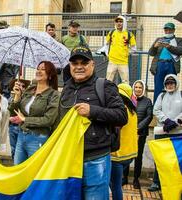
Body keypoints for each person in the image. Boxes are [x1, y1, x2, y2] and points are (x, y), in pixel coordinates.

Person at [56, 46, 127, 199]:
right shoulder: (66, 88)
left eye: (84, 63)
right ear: (70, 66)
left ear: (93, 65)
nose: (79, 67)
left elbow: (122, 116)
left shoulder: (105, 85)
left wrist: (92, 111)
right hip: (69, 158)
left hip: (96, 159)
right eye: (75, 63)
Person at [9, 61, 60, 165]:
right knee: (17, 168)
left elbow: (48, 120)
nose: (39, 71)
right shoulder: (29, 90)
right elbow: (12, 111)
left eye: (43, 69)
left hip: (38, 138)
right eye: (38, 68)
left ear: (50, 75)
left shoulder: (54, 95)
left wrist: (25, 119)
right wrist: (17, 96)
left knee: (34, 172)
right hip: (21, 135)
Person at [148, 74, 182, 192]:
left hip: (177, 133)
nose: (170, 85)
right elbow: (156, 110)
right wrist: (166, 121)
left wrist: (175, 122)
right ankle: (156, 182)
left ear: (176, 83)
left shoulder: (181, 95)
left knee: (175, 160)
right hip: (162, 132)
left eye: (172, 83)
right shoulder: (161, 96)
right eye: (167, 83)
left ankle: (173, 183)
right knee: (160, 159)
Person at [122, 80, 153, 189]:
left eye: (140, 87)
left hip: (141, 134)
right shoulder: (129, 100)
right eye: (136, 87)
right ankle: (124, 177)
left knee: (138, 157)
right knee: (126, 154)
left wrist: (138, 128)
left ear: (143, 89)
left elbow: (149, 117)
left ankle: (136, 179)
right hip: (128, 133)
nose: (138, 89)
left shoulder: (148, 101)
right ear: (133, 88)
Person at [110, 83, 138, 200]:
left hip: (118, 155)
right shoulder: (133, 111)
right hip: (129, 154)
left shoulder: (121, 110)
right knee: (115, 184)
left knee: (114, 185)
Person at [148, 22, 182, 103]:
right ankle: (156, 107)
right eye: (166, 29)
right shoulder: (159, 39)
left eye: (170, 29)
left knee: (172, 85)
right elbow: (151, 53)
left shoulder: (179, 40)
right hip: (159, 64)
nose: (168, 31)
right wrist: (154, 46)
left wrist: (169, 46)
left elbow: (180, 51)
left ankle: (172, 105)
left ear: (173, 30)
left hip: (171, 65)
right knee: (158, 87)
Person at [106, 15, 136, 84]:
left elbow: (133, 48)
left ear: (124, 23)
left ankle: (125, 94)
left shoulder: (129, 34)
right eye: (117, 21)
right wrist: (107, 53)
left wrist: (127, 53)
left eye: (120, 21)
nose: (118, 23)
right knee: (108, 80)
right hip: (112, 61)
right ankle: (108, 94)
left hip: (123, 62)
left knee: (125, 82)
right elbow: (106, 44)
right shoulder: (111, 32)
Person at [8, 79, 30, 159]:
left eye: (23, 86)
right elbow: (9, 111)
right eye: (17, 85)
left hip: (24, 128)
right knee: (13, 149)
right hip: (12, 127)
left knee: (23, 150)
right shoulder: (11, 98)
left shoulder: (28, 99)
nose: (20, 87)